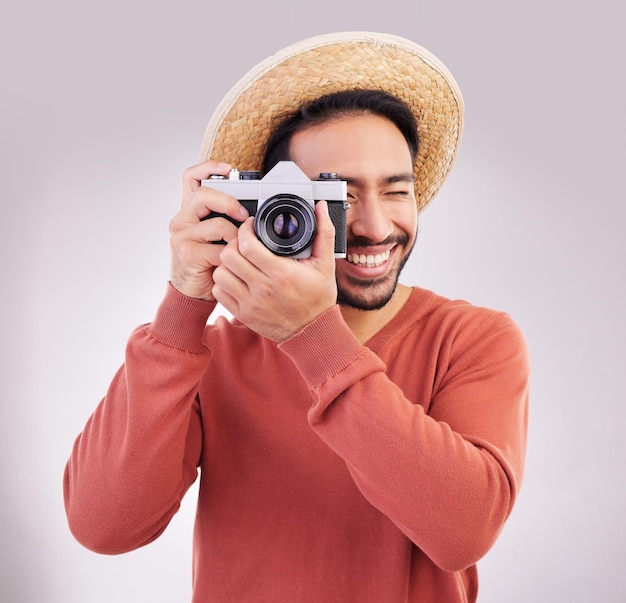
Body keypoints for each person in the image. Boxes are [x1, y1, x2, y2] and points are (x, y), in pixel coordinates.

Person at [64, 32, 529, 603]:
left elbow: (463, 531)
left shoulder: (472, 339)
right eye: (340, 195)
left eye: (397, 190)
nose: (377, 228)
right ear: (267, 204)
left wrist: (313, 339)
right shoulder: (214, 357)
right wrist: (184, 304)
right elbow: (102, 526)